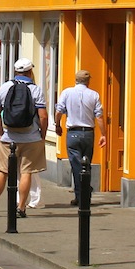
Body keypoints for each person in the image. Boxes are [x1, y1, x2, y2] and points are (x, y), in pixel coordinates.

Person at [0, 58, 48, 219]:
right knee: (26, 172)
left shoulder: (5, 87)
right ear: (30, 72)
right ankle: (21, 208)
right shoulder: (35, 90)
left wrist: (0, 133)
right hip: (31, 138)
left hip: (8, 138)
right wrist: (42, 135)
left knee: (3, 172)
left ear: (15, 71)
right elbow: (43, 116)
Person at [54, 69, 105, 207]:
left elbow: (58, 111)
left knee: (76, 166)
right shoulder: (94, 95)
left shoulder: (67, 93)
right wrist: (103, 134)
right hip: (88, 133)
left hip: (73, 133)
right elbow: (99, 116)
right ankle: (84, 194)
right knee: (86, 165)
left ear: (76, 80)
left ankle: (80, 195)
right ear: (88, 81)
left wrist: (57, 125)